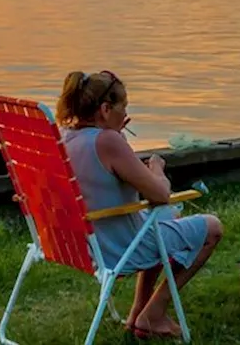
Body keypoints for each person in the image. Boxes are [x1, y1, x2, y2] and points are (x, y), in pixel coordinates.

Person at [57, 70, 223, 339]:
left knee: (163, 218)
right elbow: (160, 194)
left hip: (82, 246)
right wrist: (157, 169)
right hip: (117, 249)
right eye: (124, 107)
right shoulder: (108, 141)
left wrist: (118, 139)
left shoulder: (65, 137)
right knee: (212, 228)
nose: (126, 114)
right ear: (105, 108)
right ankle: (154, 312)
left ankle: (137, 313)